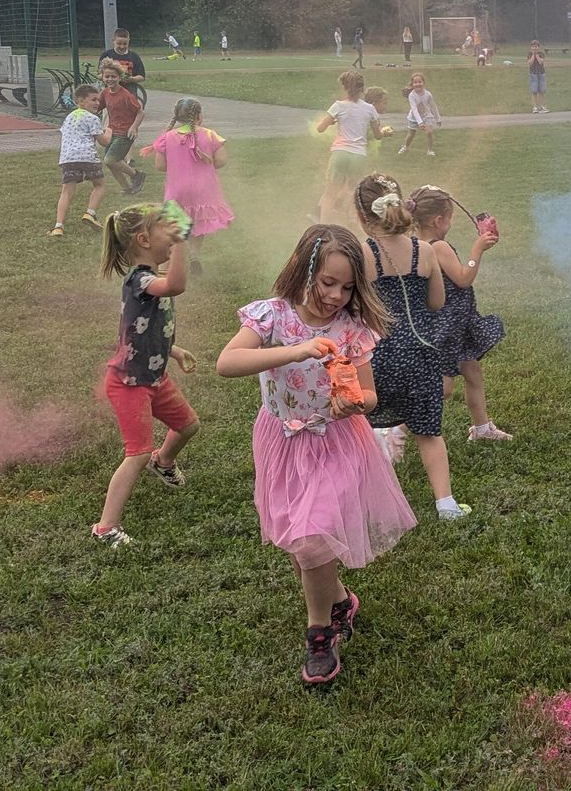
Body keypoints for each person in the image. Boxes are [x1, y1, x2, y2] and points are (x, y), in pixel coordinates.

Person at [217, 224, 416, 686]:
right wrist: (295, 350)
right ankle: (342, 600)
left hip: (336, 442)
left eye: (347, 287)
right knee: (299, 539)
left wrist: (354, 403)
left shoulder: (352, 329)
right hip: (281, 440)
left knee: (310, 539)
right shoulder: (272, 316)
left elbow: (368, 395)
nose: (336, 296)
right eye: (328, 283)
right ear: (305, 268)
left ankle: (320, 633)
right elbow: (227, 363)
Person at [352, 175, 465, 518]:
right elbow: (436, 301)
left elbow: (355, 308)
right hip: (422, 352)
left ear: (361, 216)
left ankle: (368, 500)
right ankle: (446, 503)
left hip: (377, 355)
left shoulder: (363, 253)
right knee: (429, 432)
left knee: (362, 427)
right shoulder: (425, 250)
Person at [92, 204, 199, 548]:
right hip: (129, 384)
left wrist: (174, 350)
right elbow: (177, 285)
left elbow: (144, 328)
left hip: (154, 377)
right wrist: (183, 239)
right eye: (165, 233)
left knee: (188, 426)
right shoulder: (141, 279)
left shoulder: (149, 279)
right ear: (143, 239)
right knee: (136, 452)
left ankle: (163, 462)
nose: (171, 239)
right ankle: (106, 527)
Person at [407, 186, 512, 442]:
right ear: (438, 220)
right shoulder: (438, 246)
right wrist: (477, 251)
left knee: (473, 372)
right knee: (442, 388)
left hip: (455, 323)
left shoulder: (413, 244)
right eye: (449, 218)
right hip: (447, 327)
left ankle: (482, 428)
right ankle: (395, 428)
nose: (450, 223)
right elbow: (463, 279)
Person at [141, 97, 234, 273]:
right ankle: (194, 254)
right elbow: (221, 161)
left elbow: (160, 166)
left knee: (175, 226)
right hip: (204, 189)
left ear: (176, 116)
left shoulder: (167, 137)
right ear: (199, 115)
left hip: (177, 190)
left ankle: (165, 267)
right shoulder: (209, 134)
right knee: (198, 223)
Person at [315, 70, 385, 224]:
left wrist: (332, 121)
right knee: (353, 192)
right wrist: (384, 133)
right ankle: (352, 223)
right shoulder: (369, 109)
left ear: (345, 88)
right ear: (362, 89)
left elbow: (320, 128)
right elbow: (378, 135)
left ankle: (323, 225)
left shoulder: (338, 106)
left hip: (340, 153)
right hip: (358, 155)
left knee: (330, 194)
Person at [51, 84, 112, 237]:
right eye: (93, 100)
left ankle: (58, 226)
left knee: (66, 191)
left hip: (67, 158)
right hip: (87, 157)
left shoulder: (69, 117)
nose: (98, 103)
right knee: (99, 185)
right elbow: (104, 141)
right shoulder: (92, 118)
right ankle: (90, 213)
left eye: (98, 100)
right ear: (81, 101)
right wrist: (109, 131)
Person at [98, 59, 147, 196]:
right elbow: (98, 107)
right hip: (111, 132)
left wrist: (134, 127)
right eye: (107, 76)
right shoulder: (105, 93)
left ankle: (136, 175)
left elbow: (140, 112)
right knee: (110, 163)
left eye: (113, 76)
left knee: (110, 160)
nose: (110, 79)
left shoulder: (125, 95)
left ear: (119, 77)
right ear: (102, 77)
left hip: (125, 133)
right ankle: (127, 188)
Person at [398, 73, 441, 157]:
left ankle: (430, 150)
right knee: (411, 134)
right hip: (414, 118)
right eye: (415, 82)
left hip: (426, 116)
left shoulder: (428, 94)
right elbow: (414, 110)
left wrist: (438, 118)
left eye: (420, 82)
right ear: (412, 84)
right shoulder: (412, 96)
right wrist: (420, 122)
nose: (418, 84)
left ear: (424, 83)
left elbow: (433, 106)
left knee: (429, 132)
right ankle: (405, 147)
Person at [527, 40, 548, 114]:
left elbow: (541, 62)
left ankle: (541, 106)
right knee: (534, 91)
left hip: (541, 73)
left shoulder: (541, 54)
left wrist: (537, 56)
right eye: (533, 47)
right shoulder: (529, 54)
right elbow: (530, 63)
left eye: (536, 47)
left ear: (538, 47)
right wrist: (533, 55)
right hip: (533, 74)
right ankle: (535, 107)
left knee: (542, 91)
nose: (535, 48)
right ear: (531, 47)